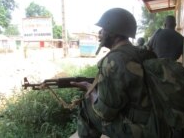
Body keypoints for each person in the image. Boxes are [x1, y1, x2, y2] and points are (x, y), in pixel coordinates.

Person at [70, 8, 165, 138]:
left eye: (103, 29)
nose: (100, 32)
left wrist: (89, 89)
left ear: (113, 33)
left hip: (142, 129)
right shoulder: (143, 52)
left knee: (87, 105)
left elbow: (103, 113)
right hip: (157, 120)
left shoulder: (114, 60)